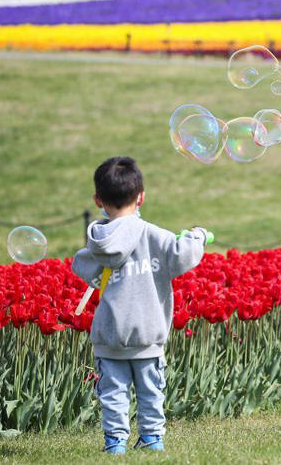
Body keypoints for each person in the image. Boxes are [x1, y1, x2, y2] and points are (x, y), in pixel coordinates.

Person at [72, 156, 208, 454]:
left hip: (110, 334)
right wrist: (197, 236)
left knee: (113, 393)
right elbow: (182, 252)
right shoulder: (153, 235)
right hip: (148, 332)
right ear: (141, 197)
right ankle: (151, 438)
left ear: (98, 200)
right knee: (150, 392)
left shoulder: (98, 241)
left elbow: (80, 263)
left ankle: (115, 444)